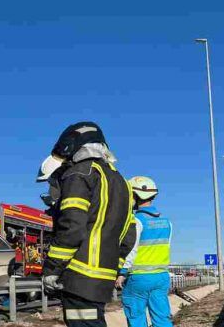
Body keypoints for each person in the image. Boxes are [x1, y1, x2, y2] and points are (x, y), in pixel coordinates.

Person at [38, 122, 137, 327]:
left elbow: (72, 229)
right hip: (102, 279)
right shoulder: (122, 183)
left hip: (79, 277)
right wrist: (113, 267)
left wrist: (52, 269)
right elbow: (129, 236)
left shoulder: (79, 174)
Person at [117, 176, 172, 327]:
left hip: (139, 278)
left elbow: (130, 249)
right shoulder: (167, 222)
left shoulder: (135, 221)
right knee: (162, 319)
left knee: (136, 318)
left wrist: (122, 273)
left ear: (134, 196)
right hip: (161, 276)